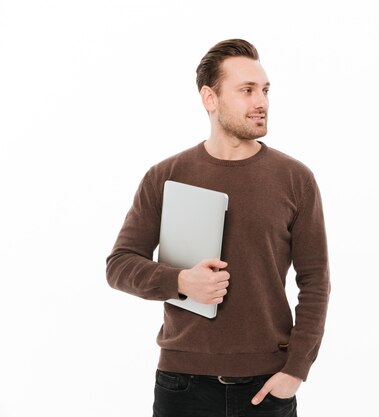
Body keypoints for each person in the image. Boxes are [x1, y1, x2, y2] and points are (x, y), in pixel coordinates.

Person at [106, 39, 330, 417]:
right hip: (182, 385)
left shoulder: (295, 179)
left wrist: (296, 369)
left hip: (266, 386)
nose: (261, 102)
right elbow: (120, 265)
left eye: (265, 90)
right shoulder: (166, 176)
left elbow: (316, 280)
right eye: (246, 91)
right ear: (210, 98)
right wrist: (180, 281)